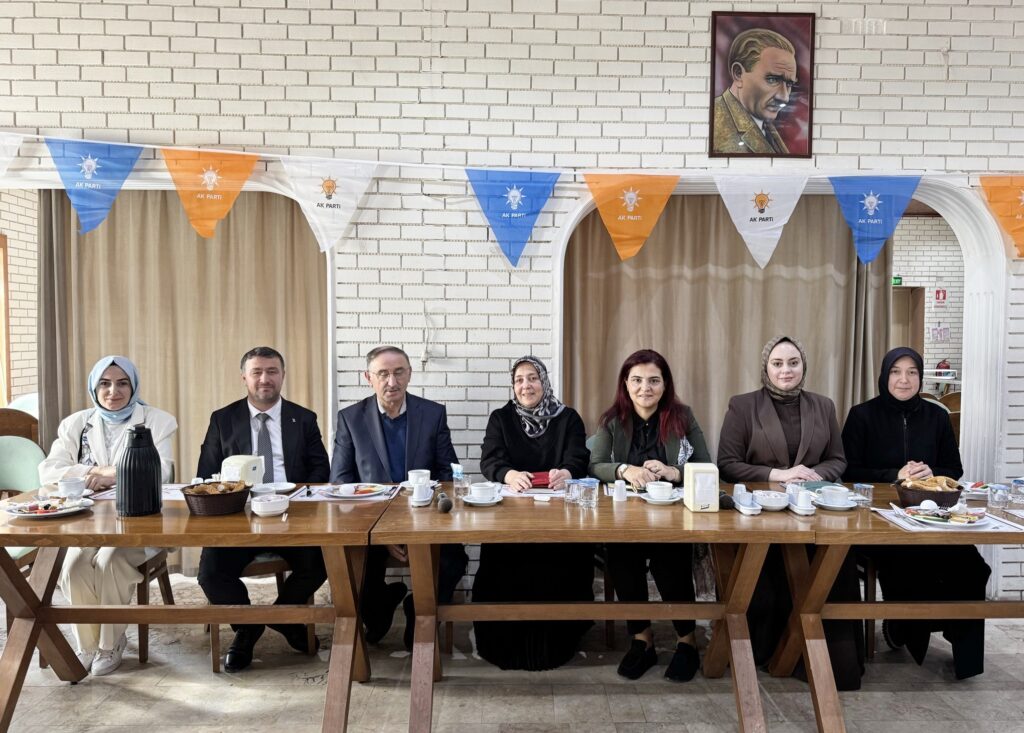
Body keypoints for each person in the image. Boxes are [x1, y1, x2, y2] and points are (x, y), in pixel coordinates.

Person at [717, 335, 864, 690]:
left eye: (793, 363)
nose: (786, 370)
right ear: (766, 367)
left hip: (814, 511)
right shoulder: (743, 406)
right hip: (761, 517)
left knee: (835, 567)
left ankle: (834, 663)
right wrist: (779, 475)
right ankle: (772, 654)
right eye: (778, 363)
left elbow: (838, 459)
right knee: (771, 575)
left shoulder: (823, 406)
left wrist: (811, 476)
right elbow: (727, 464)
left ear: (803, 366)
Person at [842, 346, 989, 679]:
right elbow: (848, 470)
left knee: (972, 567)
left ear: (920, 378)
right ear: (884, 376)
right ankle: (905, 627)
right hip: (880, 521)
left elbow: (955, 469)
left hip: (935, 519)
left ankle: (961, 650)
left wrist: (931, 472)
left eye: (912, 372)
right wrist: (894, 474)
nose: (904, 380)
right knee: (913, 562)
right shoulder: (862, 415)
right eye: (896, 372)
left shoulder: (936, 417)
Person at [40, 355, 177, 675]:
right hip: (86, 523)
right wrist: (97, 471)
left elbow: (162, 473)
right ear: (94, 387)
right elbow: (49, 471)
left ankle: (109, 643)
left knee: (109, 560)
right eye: (104, 383)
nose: (113, 391)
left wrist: (107, 475)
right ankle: (87, 645)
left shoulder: (157, 421)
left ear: (134, 386)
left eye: (122, 383)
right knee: (73, 564)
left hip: (140, 522)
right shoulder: (75, 423)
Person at [196, 346, 331, 672]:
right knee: (210, 574)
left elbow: (321, 473)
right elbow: (206, 474)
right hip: (238, 517)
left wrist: (293, 498)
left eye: (272, 371)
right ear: (244, 377)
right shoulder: (222, 420)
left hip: (291, 515)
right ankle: (248, 628)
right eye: (256, 372)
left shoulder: (304, 418)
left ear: (282, 376)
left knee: (323, 561)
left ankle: (281, 617)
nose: (264, 379)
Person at [331, 345, 468, 649]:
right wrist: (383, 533)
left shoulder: (432, 414)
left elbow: (447, 475)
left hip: (424, 518)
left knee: (454, 561)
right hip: (370, 523)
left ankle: (418, 611)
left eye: (399, 372)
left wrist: (418, 525)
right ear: (368, 377)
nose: (391, 382)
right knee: (353, 568)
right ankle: (379, 611)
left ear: (409, 374)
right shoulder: (351, 418)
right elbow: (341, 482)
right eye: (383, 374)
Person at [589, 349, 711, 681]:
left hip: (671, 516)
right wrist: (623, 469)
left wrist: (674, 471)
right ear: (625, 384)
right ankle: (642, 639)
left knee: (671, 561)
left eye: (654, 380)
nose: (645, 388)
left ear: (665, 384)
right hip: (625, 517)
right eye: (637, 380)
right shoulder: (613, 420)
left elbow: (706, 464)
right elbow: (594, 464)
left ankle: (687, 640)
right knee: (621, 559)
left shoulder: (682, 417)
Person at [475, 355, 593, 670]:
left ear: (544, 381)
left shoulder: (568, 418)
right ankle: (503, 641)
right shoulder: (501, 418)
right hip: (512, 512)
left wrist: (567, 472)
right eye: (519, 380)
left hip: (559, 513)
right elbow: (489, 460)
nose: (526, 385)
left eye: (532, 378)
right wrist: (509, 474)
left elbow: (579, 457)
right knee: (505, 556)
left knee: (561, 557)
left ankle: (558, 641)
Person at [712, 28, 798, 155]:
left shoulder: (764, 123)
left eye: (789, 84)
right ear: (738, 74)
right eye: (773, 79)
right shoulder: (715, 127)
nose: (784, 97)